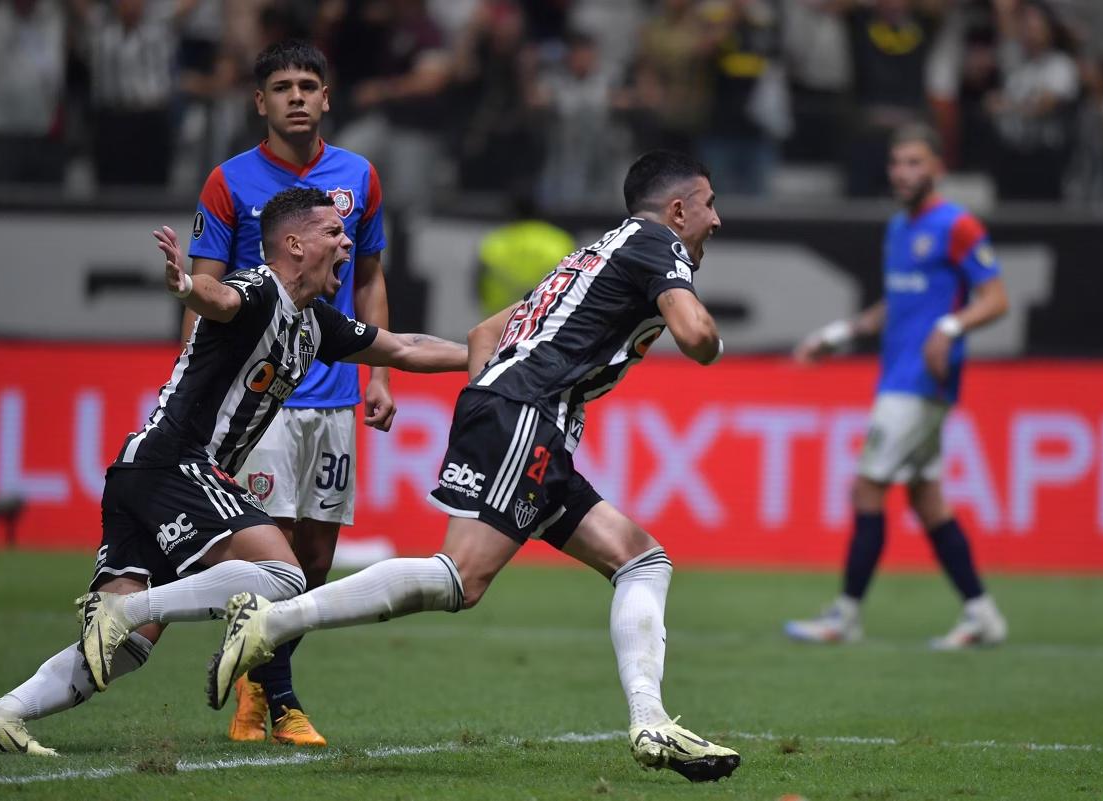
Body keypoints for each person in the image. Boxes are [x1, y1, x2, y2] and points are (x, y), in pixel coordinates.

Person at [206, 151, 743, 783]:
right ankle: (271, 620)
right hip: (527, 414)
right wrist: (516, 399)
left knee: (641, 559)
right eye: (709, 205)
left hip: (521, 416)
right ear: (678, 209)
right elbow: (698, 336)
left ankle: (651, 720)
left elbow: (488, 330)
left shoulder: (600, 250)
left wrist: (496, 393)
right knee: (460, 579)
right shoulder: (657, 241)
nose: (716, 219)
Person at [0, 188, 467, 756]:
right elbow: (219, 299)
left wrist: (485, 356)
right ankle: (125, 608)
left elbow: (404, 348)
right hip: (177, 462)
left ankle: (0, 714)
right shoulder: (258, 288)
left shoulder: (314, 322)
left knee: (126, 647)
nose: (347, 242)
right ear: (295, 245)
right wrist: (183, 287)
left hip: (142, 472)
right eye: (333, 233)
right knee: (284, 575)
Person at [183, 40, 393, 746]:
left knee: (315, 561)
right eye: (282, 86)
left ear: (327, 98)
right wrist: (190, 380)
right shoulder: (229, 181)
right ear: (260, 102)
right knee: (266, 555)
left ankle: (257, 679)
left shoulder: (359, 176)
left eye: (308, 84)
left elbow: (367, 278)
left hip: (334, 393)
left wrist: (382, 374)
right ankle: (277, 699)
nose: (296, 95)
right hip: (258, 394)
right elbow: (206, 286)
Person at [784, 123, 1010, 650]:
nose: (903, 172)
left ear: (937, 168)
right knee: (927, 497)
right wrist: (838, 335)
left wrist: (949, 327)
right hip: (899, 373)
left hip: (921, 380)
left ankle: (844, 616)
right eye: (896, 162)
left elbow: (996, 299)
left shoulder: (957, 225)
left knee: (868, 487)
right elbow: (899, 304)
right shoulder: (898, 229)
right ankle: (982, 615)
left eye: (914, 162)